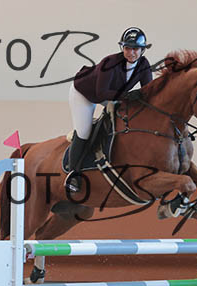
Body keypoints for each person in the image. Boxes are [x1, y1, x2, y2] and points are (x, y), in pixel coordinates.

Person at [65, 27, 154, 192]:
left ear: (142, 50)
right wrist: (128, 96)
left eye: (135, 49)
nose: (131, 52)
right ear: (122, 48)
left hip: (111, 95)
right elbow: (101, 94)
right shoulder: (110, 63)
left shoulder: (144, 65)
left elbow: (148, 92)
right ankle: (73, 174)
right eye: (127, 48)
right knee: (84, 132)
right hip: (84, 93)